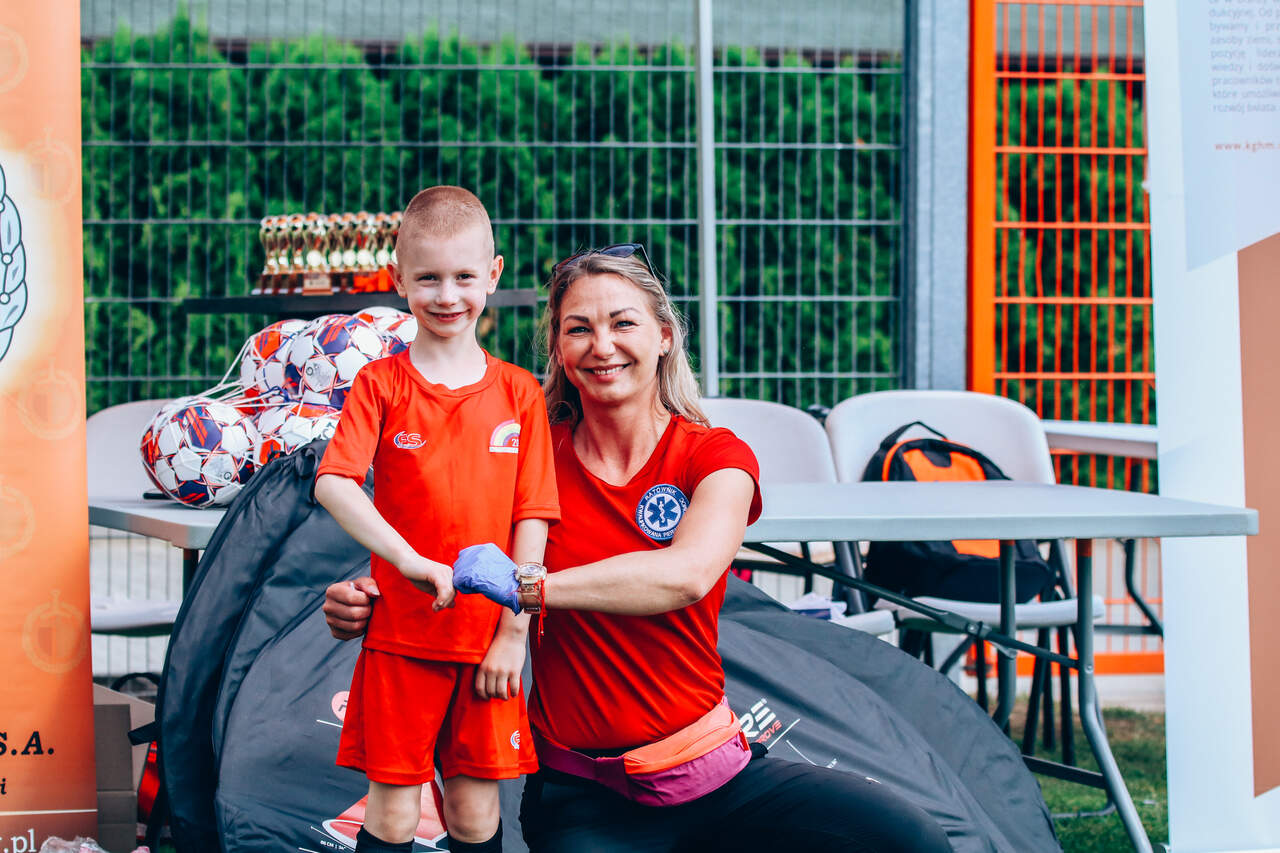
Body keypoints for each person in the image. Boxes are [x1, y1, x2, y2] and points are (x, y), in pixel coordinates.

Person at [324, 244, 953, 852]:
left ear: (665, 336)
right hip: (584, 800)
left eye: (623, 323)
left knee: (908, 838)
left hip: (718, 780)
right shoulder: (529, 454)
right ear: (559, 350)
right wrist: (377, 590)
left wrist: (527, 587)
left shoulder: (714, 455)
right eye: (578, 329)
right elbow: (451, 542)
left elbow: (686, 575)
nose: (602, 346)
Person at [314, 186, 560, 853]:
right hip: (400, 642)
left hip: (486, 646)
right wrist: (409, 560)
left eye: (464, 277)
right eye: (428, 278)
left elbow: (533, 518)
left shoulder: (521, 393)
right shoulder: (380, 384)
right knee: (394, 817)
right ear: (398, 279)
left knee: (476, 817)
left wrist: (513, 633)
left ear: (494, 275)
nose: (447, 295)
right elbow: (334, 482)